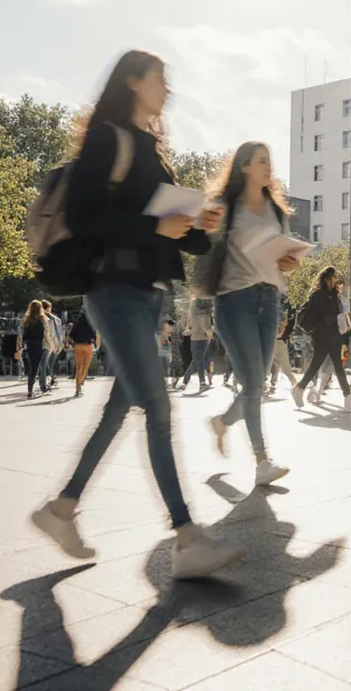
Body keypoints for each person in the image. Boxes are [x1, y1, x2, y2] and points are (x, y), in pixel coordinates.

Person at [30, 49, 243, 579]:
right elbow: (84, 217)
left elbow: (181, 239)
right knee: (158, 406)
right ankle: (187, 535)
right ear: (133, 81)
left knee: (120, 409)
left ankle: (61, 509)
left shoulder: (153, 151)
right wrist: (155, 228)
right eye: (160, 79)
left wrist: (203, 225)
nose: (168, 89)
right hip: (114, 290)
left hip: (150, 294)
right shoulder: (109, 139)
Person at [206, 141, 298, 487]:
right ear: (244, 166)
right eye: (262, 161)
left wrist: (289, 262)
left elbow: (284, 259)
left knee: (254, 386)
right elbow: (205, 244)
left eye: (269, 161)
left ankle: (223, 422)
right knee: (255, 383)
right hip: (234, 301)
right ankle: (262, 462)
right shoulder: (227, 207)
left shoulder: (276, 210)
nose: (268, 166)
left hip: (268, 299)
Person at [294, 266, 351, 412]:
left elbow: (337, 316)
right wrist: (318, 329)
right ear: (327, 279)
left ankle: (347, 397)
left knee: (334, 365)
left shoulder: (333, 295)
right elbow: (314, 316)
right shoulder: (318, 295)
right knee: (319, 365)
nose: (336, 280)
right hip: (322, 336)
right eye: (334, 277)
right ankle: (299, 389)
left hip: (333, 335)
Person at [181, 298, 215, 392]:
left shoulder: (194, 314)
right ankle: (187, 381)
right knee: (197, 361)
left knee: (199, 361)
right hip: (202, 340)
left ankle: (201, 383)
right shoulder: (205, 316)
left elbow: (190, 324)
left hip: (194, 339)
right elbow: (207, 329)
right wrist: (211, 335)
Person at [18, 301, 47, 399]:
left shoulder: (26, 320)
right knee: (35, 368)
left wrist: (20, 346)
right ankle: (31, 390)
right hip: (38, 345)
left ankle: (30, 390)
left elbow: (22, 334)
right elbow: (46, 333)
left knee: (32, 368)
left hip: (29, 345)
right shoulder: (42, 319)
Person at [269, 299, 298, 393]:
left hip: (273, 340)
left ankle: (295, 385)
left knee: (276, 364)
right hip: (279, 340)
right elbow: (291, 323)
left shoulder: (271, 302)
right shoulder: (288, 305)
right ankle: (294, 385)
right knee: (279, 365)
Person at [68, 310, 98, 397]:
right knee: (86, 366)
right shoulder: (92, 321)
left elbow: (71, 335)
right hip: (88, 346)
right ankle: (81, 383)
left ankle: (78, 388)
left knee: (79, 368)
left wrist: (73, 344)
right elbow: (94, 335)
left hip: (78, 346)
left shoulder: (77, 322)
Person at [41, 301, 64, 391]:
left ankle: (50, 380)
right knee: (45, 364)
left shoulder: (56, 319)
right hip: (48, 344)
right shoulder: (43, 319)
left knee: (49, 364)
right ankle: (48, 380)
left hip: (55, 344)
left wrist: (60, 343)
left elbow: (59, 333)